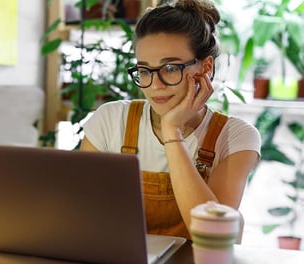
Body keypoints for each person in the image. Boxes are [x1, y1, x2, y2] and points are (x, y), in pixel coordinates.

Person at [80, 0, 261, 239]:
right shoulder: (111, 119)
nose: (155, 85)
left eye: (170, 68)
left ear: (205, 67)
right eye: (144, 71)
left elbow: (214, 235)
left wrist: (171, 132)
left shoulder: (235, 137)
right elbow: (81, 214)